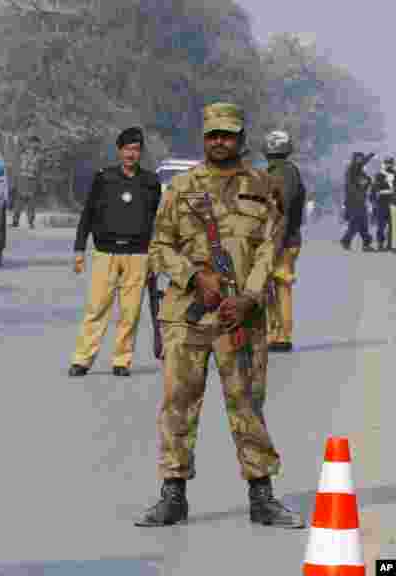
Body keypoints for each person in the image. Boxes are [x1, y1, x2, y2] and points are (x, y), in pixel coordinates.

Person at [134, 102, 304, 529]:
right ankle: (173, 494)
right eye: (213, 134)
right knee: (177, 404)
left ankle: (262, 495)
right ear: (204, 138)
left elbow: (271, 247)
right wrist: (193, 278)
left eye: (227, 134)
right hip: (186, 318)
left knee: (247, 403)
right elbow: (159, 247)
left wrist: (248, 297)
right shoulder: (181, 188)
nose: (220, 141)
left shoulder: (263, 186)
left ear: (241, 138)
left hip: (240, 319)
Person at [68, 127, 161, 377]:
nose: (131, 154)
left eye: (136, 150)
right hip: (105, 253)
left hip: (138, 254)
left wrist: (157, 254)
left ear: (140, 153)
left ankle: (122, 360)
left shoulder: (151, 182)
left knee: (130, 312)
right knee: (96, 308)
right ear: (119, 151)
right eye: (127, 149)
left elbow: (158, 222)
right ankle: (82, 359)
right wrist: (79, 249)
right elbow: (87, 214)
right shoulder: (104, 178)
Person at [262, 130, 306, 352]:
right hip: (286, 237)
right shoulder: (287, 171)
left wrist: (273, 240)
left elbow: (281, 210)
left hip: (281, 239)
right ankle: (277, 333)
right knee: (277, 286)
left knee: (277, 285)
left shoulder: (282, 173)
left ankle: (279, 335)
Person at [340, 151, 375, 251]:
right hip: (353, 202)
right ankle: (346, 241)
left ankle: (366, 244)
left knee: (363, 223)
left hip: (360, 201)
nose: (360, 161)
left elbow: (366, 181)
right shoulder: (351, 170)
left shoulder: (359, 170)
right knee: (355, 224)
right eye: (358, 158)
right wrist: (362, 184)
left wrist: (367, 182)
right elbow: (353, 187)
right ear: (354, 159)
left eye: (361, 158)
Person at [14, 135, 41, 228]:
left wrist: (39, 182)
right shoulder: (23, 153)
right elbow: (17, 166)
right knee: (20, 200)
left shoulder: (38, 155)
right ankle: (16, 221)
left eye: (37, 143)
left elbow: (39, 170)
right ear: (30, 143)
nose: (36, 145)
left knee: (30, 202)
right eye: (34, 143)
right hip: (23, 179)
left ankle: (30, 222)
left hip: (32, 180)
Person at [374, 156, 396, 251]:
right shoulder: (379, 175)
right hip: (381, 204)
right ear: (383, 164)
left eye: (390, 163)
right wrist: (390, 190)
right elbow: (376, 190)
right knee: (381, 226)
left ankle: (390, 245)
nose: (389, 165)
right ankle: (380, 244)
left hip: (393, 203)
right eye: (387, 163)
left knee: (392, 226)